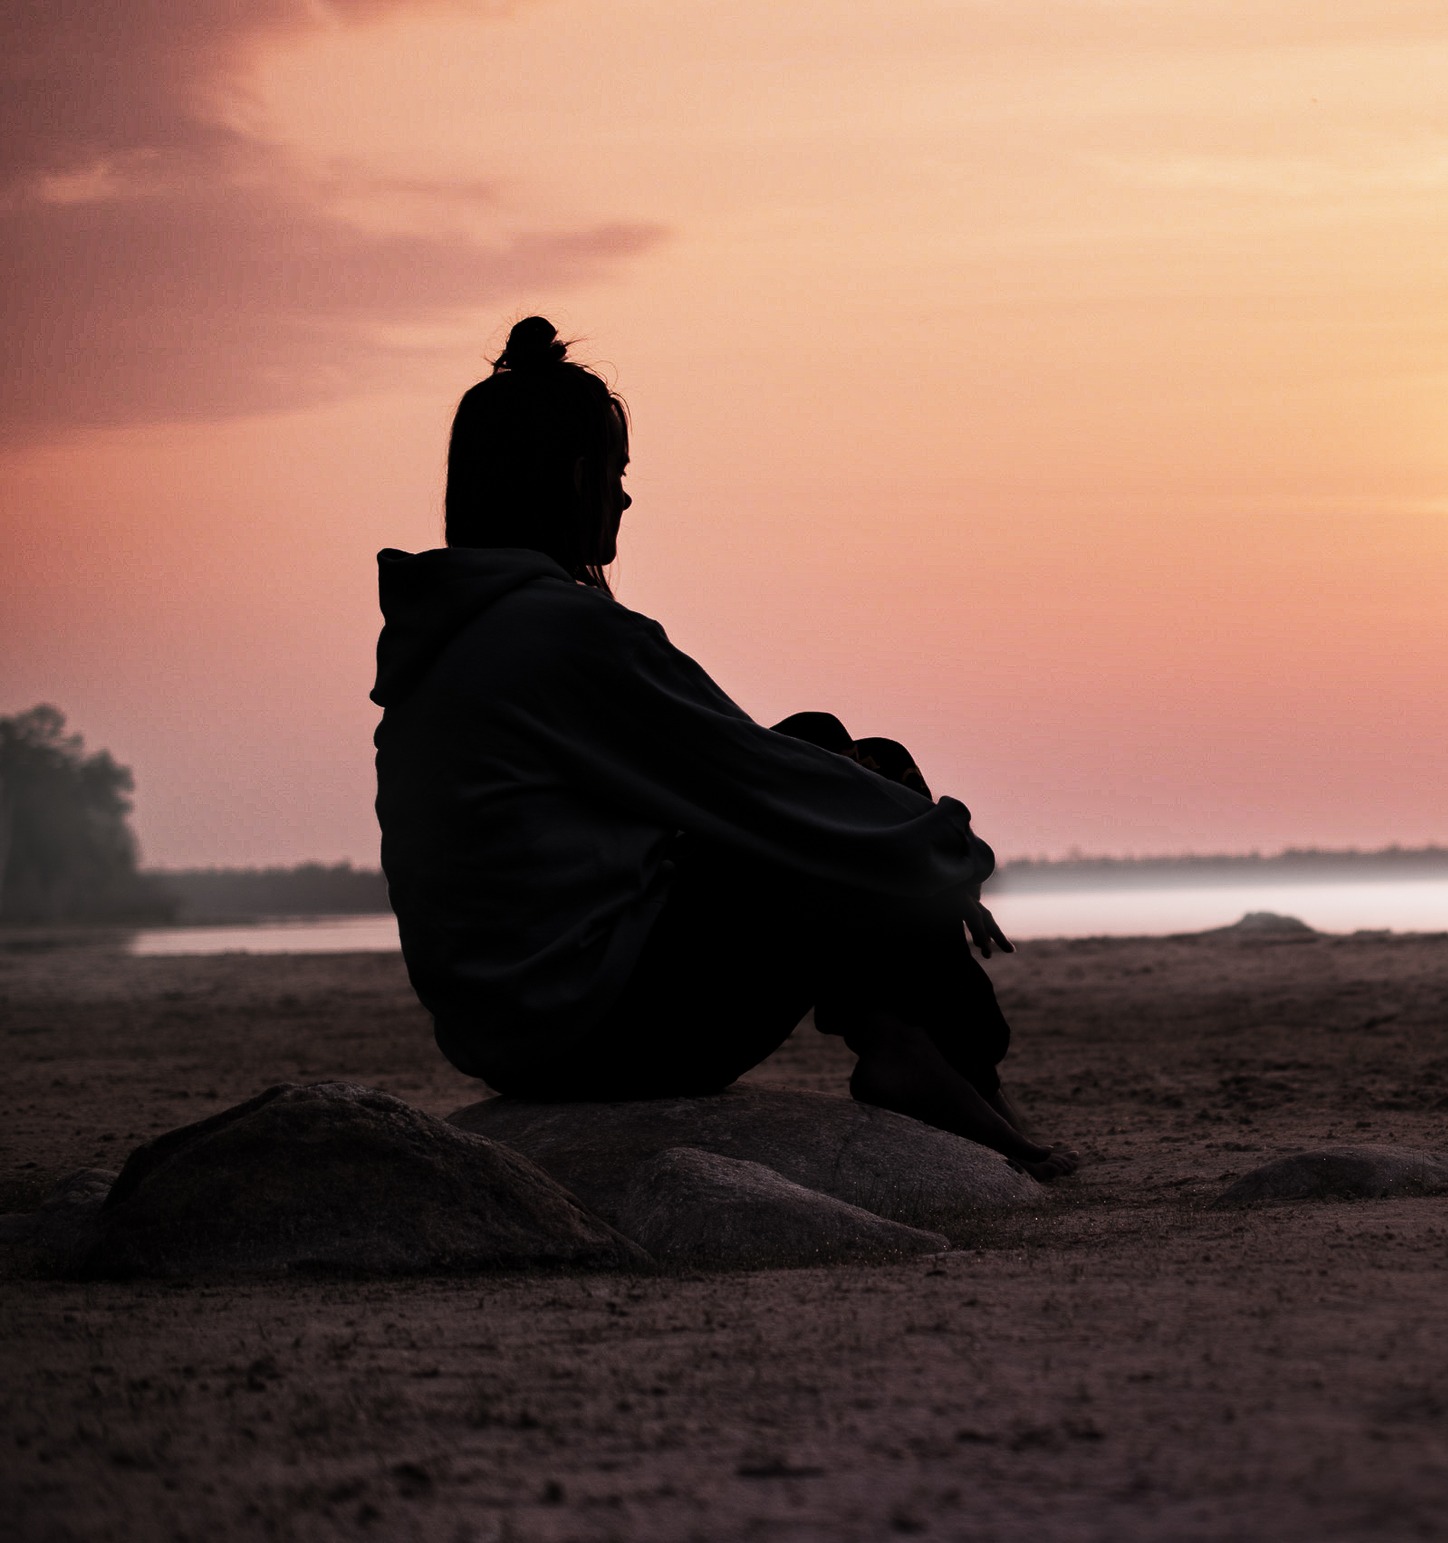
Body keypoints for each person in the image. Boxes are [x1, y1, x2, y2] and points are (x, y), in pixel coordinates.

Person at [372, 317, 1075, 1179]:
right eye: (617, 477)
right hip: (603, 1030)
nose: (626, 500)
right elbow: (755, 780)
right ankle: (946, 1065)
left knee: (826, 758)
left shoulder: (443, 644)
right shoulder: (563, 634)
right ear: (575, 479)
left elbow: (725, 776)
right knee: (834, 779)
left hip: (506, 1035)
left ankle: (909, 1044)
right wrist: (941, 845)